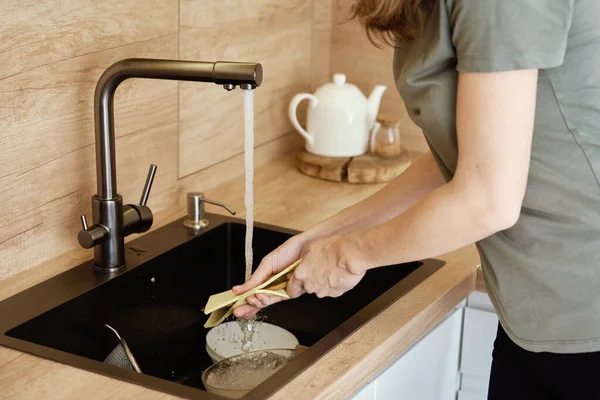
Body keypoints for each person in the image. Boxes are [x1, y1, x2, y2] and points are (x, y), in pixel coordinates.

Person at [233, 0, 600, 398]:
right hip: (534, 313)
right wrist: (318, 239)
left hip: (585, 313)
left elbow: (487, 198)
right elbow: (465, 156)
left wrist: (346, 256)